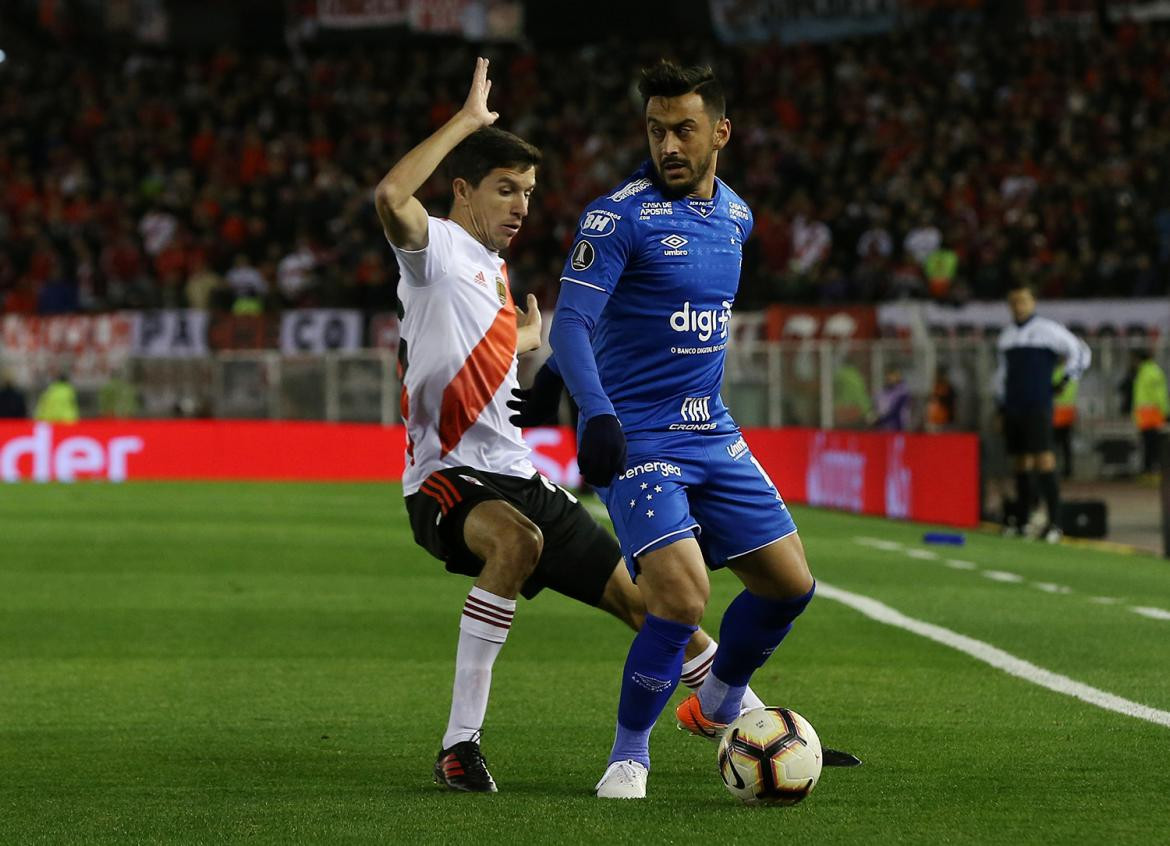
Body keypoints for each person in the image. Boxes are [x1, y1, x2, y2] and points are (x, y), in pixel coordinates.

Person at [374, 58, 761, 795]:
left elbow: (479, 355)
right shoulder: (433, 254)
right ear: (462, 190)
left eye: (527, 192)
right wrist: (464, 123)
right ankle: (459, 744)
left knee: (652, 603)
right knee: (516, 544)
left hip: (519, 474)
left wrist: (529, 347)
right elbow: (393, 194)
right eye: (504, 189)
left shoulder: (491, 271)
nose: (521, 206)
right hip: (446, 481)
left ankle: (754, 722)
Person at [537, 60, 819, 799]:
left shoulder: (737, 216)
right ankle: (630, 754)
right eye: (657, 129)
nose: (668, 143)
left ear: (720, 132)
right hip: (639, 439)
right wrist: (593, 409)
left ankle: (722, 697)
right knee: (682, 597)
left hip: (711, 431)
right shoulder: (617, 216)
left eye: (684, 129)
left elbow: (678, 319)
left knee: (790, 585)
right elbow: (570, 321)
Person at [994, 283, 1090, 542]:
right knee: (1020, 461)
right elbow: (1001, 375)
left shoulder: (1047, 330)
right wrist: (1000, 407)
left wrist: (1064, 380)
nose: (1018, 306)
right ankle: (1023, 520)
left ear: (1033, 303)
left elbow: (1079, 351)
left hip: (1037, 403)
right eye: (1014, 302)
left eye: (1023, 301)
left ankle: (1055, 523)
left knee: (1044, 459)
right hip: (1014, 405)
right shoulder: (1006, 337)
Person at [1130, 349, 1168, 478]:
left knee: (1152, 445)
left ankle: (1152, 471)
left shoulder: (1150, 372)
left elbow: (1159, 395)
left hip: (1152, 415)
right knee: (1149, 445)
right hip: (1147, 416)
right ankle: (1149, 471)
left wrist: (1165, 412)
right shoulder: (1146, 372)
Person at [1051, 363, 1077, 479]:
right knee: (1065, 444)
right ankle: (1067, 469)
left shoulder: (1057, 371)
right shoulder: (1072, 372)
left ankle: (1052, 469)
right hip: (1068, 411)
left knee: (1054, 444)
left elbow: (1058, 390)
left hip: (1057, 412)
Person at [871, 365, 911, 431]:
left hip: (898, 427)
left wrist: (879, 421)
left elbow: (895, 413)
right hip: (884, 428)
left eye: (892, 375)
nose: (889, 378)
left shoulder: (902, 392)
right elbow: (877, 407)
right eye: (887, 375)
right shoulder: (883, 392)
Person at [925, 365, 956, 432]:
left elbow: (951, 403)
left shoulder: (948, 388)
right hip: (934, 420)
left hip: (945, 420)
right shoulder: (935, 387)